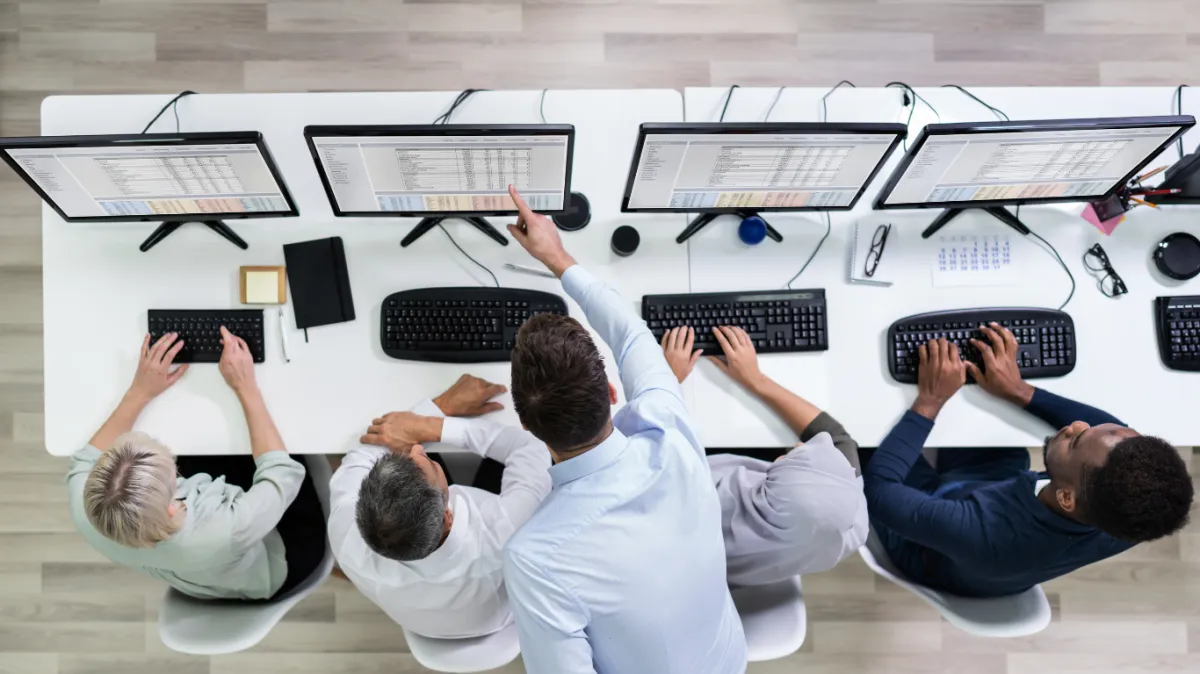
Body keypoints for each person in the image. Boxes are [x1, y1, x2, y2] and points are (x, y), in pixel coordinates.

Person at [500, 185, 746, 674]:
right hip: (725, 657)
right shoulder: (668, 429)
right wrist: (558, 257)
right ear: (613, 392)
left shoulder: (536, 559)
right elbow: (631, 333)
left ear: (527, 424)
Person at [864, 326, 1194, 598]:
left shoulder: (985, 534)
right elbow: (1113, 433)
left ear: (1067, 496)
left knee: (861, 432)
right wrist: (1019, 391)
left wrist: (930, 400)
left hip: (932, 546)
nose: (1075, 425)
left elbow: (879, 491)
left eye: (1076, 440)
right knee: (981, 413)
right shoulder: (1132, 515)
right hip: (996, 494)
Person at [66, 328, 326, 601]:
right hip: (280, 560)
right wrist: (245, 386)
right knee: (290, 436)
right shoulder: (223, 529)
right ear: (174, 500)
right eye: (172, 468)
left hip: (202, 571)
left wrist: (140, 392)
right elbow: (283, 474)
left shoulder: (85, 510)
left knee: (207, 444)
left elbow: (86, 458)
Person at [327, 375, 551, 639]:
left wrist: (432, 414)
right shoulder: (507, 535)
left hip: (422, 621)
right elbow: (531, 446)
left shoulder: (345, 533)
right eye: (430, 465)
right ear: (447, 516)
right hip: (496, 617)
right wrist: (432, 423)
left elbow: (364, 452)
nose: (417, 449)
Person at [661, 325, 867, 585]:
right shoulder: (852, 528)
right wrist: (754, 379)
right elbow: (838, 439)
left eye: (797, 460)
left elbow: (654, 445)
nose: (802, 446)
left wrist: (665, 382)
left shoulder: (689, 498)